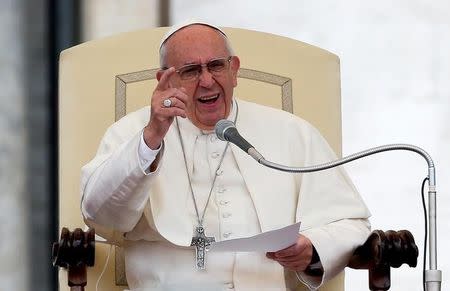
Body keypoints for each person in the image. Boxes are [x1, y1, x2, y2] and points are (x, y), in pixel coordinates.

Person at [81, 21, 371, 291]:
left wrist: (313, 249)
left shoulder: (292, 132)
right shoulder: (133, 132)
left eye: (216, 66)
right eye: (191, 70)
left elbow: (350, 222)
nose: (207, 81)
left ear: (234, 70)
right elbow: (101, 214)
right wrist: (152, 138)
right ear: (165, 79)